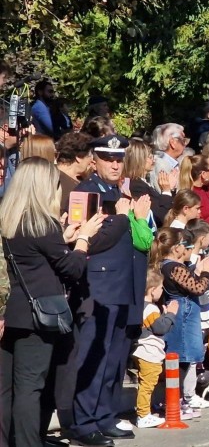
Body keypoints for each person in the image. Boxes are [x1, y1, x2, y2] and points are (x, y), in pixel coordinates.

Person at [0, 158, 103, 447]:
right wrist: (83, 239)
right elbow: (71, 268)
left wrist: (65, 238)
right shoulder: (43, 223)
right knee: (30, 388)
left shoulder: (10, 219)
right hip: (40, 316)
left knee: (7, 389)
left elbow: (39, 258)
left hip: (15, 310)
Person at [70, 135, 147, 446]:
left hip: (122, 285)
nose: (115, 164)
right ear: (94, 160)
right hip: (99, 286)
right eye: (107, 159)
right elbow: (82, 240)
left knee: (113, 358)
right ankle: (83, 422)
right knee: (94, 357)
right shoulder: (85, 192)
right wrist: (119, 215)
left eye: (118, 159)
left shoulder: (118, 191)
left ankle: (104, 415)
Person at [154, 227, 209, 416]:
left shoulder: (170, 266)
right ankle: (172, 402)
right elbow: (198, 287)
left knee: (184, 359)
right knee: (181, 358)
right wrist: (206, 272)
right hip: (182, 314)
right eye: (186, 246)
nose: (189, 250)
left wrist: (197, 270)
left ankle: (177, 400)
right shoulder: (172, 267)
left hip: (185, 312)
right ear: (177, 248)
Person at [132, 268, 178, 429]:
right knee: (148, 384)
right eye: (160, 288)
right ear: (152, 290)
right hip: (149, 352)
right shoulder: (151, 308)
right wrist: (171, 314)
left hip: (143, 351)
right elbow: (160, 328)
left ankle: (144, 410)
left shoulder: (141, 307)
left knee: (145, 383)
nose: (162, 291)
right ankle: (143, 415)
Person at [55, 133, 95, 215]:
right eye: (90, 156)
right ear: (79, 157)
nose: (92, 161)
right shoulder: (57, 182)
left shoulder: (48, 172)